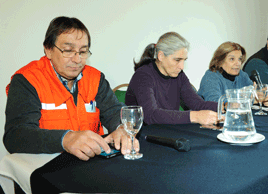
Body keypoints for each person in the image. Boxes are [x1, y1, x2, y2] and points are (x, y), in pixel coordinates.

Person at [4, 16, 138, 161]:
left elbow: (113, 111)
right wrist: (65, 139)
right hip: (45, 167)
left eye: (83, 52)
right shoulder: (27, 80)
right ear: (48, 50)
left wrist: (121, 129)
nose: (77, 59)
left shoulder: (95, 78)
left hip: (90, 164)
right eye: (68, 50)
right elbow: (15, 136)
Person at [125, 32, 218, 127]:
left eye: (184, 60)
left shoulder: (179, 75)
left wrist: (225, 107)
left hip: (169, 131)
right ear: (161, 56)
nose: (181, 66)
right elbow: (150, 115)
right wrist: (195, 116)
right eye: (177, 60)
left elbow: (198, 104)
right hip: (144, 135)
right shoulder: (143, 75)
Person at [197, 41, 268, 106]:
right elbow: (216, 104)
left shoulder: (242, 75)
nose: (238, 63)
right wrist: (253, 100)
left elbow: (254, 95)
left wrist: (263, 99)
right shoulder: (211, 77)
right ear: (220, 62)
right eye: (232, 59)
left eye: (240, 59)